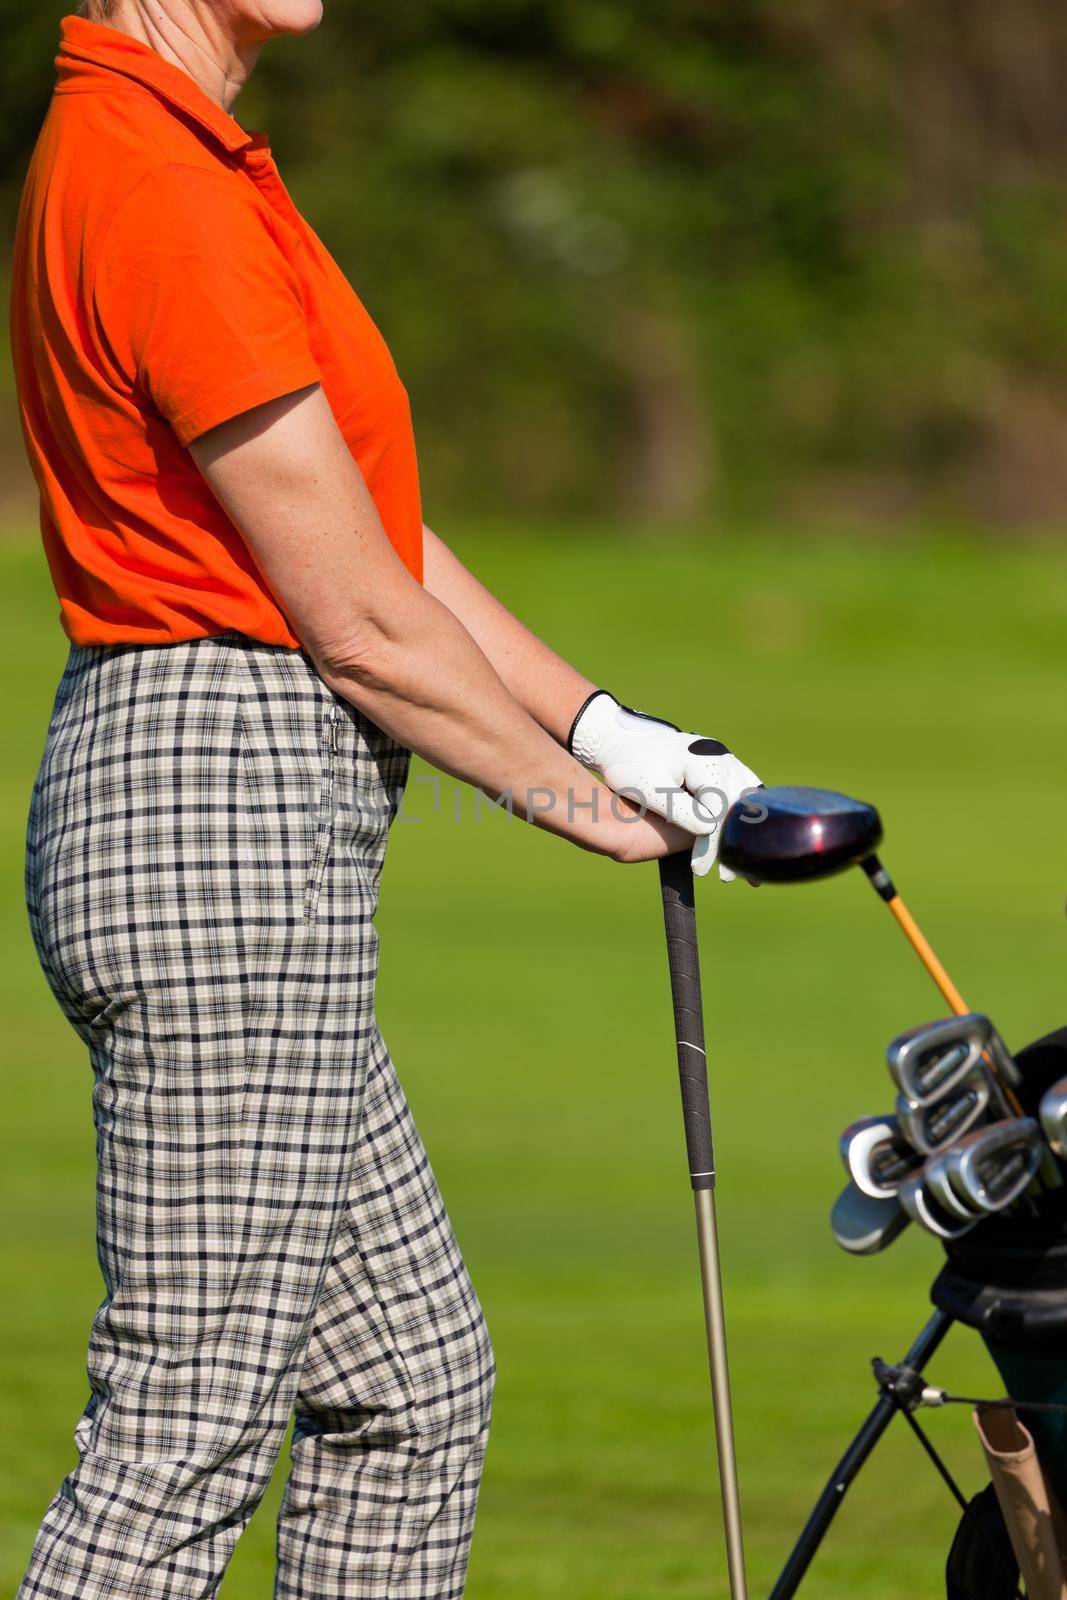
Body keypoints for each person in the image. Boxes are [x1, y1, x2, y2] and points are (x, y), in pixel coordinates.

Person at [9, 3, 761, 1596]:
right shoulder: (152, 175)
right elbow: (351, 618)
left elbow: (370, 536)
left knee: (407, 1387)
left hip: (224, 804)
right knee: (184, 1433)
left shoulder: (190, 153)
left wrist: (606, 727)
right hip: (216, 811)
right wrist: (570, 802)